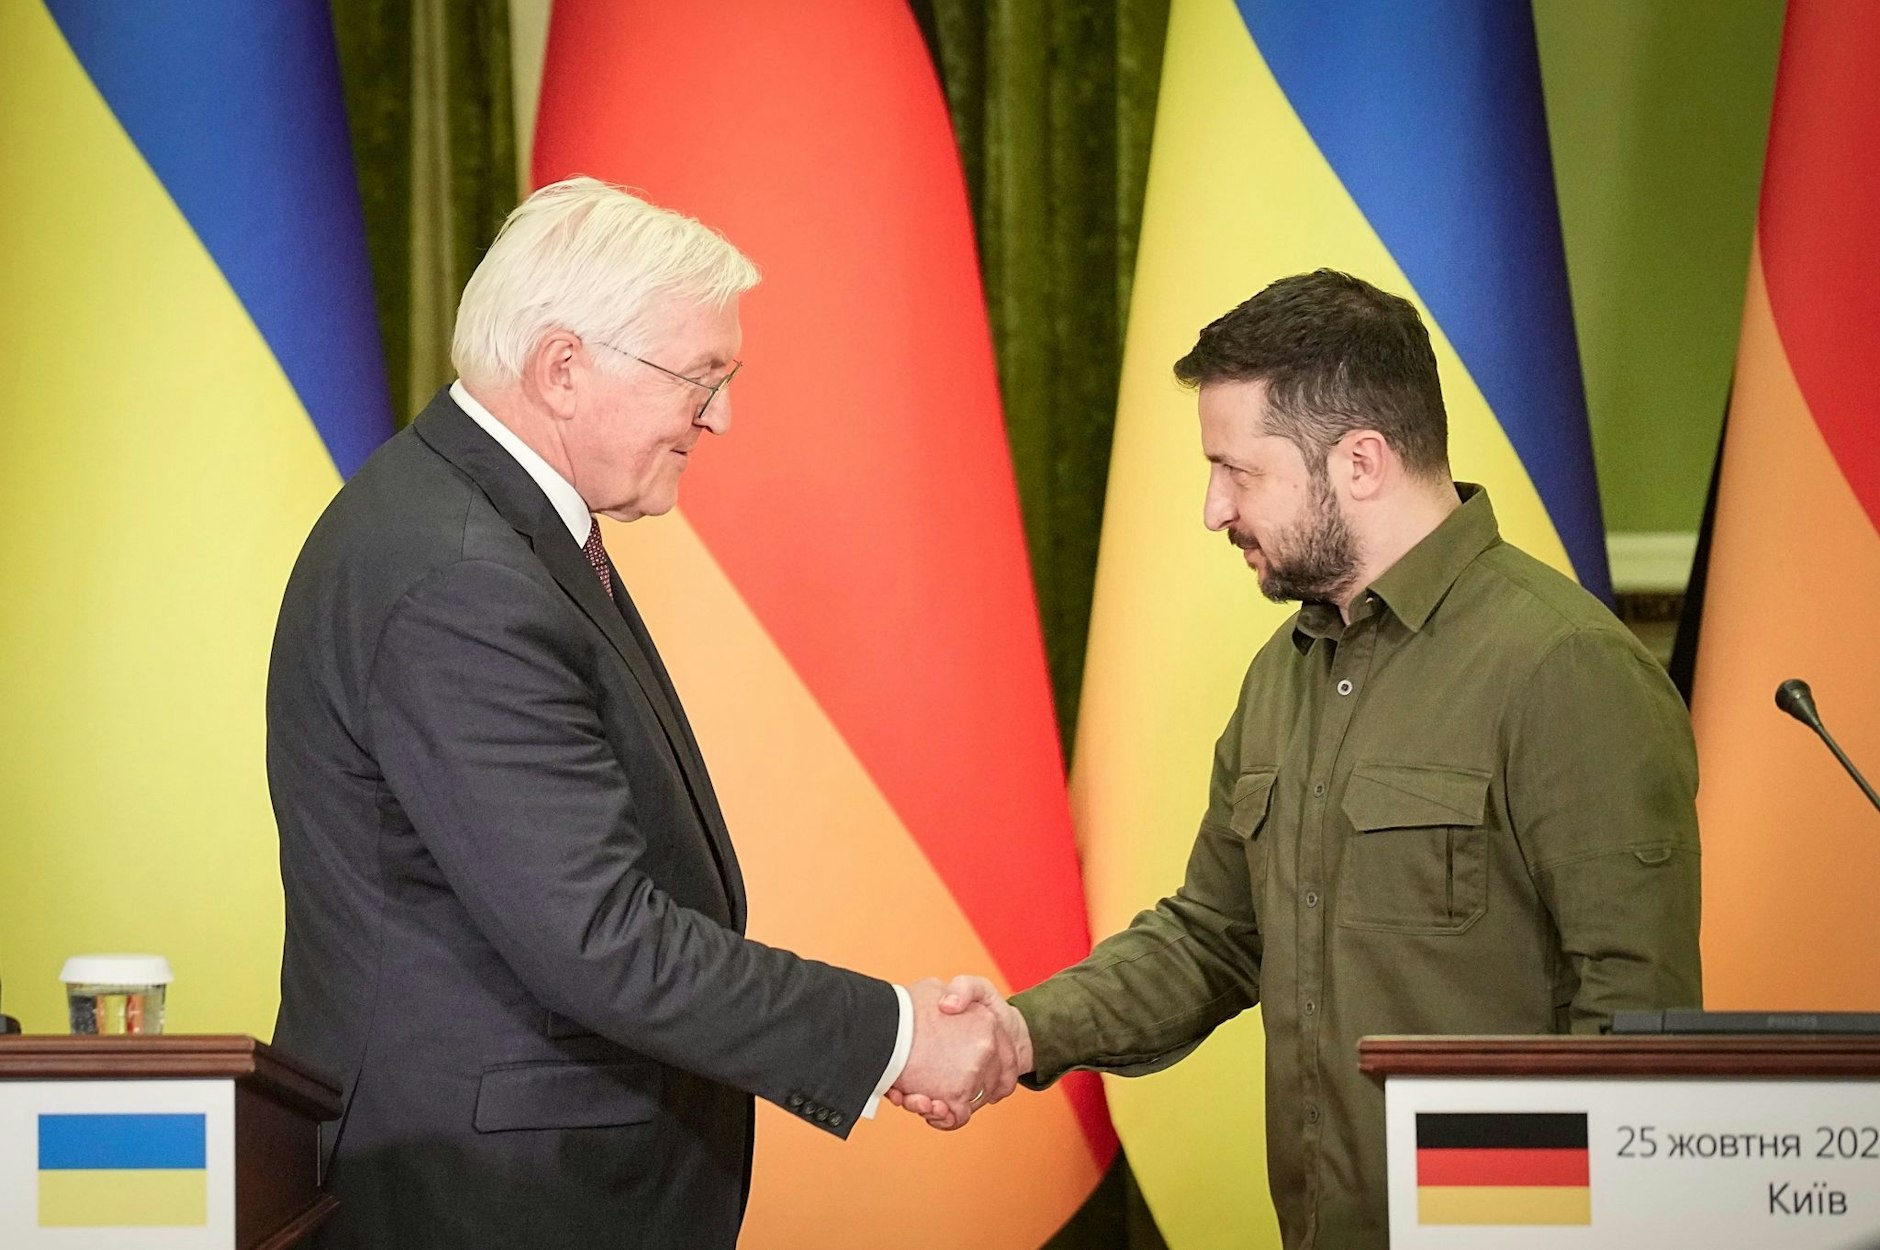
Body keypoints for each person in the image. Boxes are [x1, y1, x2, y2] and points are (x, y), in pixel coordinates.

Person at [267, 177, 1018, 1249]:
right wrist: (896, 1034)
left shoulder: (483, 529)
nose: (720, 415)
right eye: (699, 377)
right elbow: (602, 937)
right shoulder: (457, 571)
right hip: (490, 1199)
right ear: (562, 366)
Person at [905, 270, 1703, 1248]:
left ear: (1359, 461)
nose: (1210, 507)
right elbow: (1210, 936)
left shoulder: (1563, 668)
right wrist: (1021, 1032)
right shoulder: (1281, 675)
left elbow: (1636, 1026)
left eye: (1237, 471)